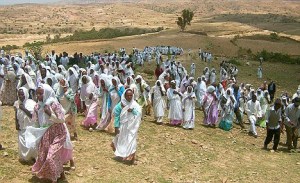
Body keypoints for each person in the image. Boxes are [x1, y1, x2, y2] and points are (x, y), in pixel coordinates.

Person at [28, 84, 73, 183]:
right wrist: (36, 134)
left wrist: (50, 114)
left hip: (58, 133)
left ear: (47, 93)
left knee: (51, 156)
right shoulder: (37, 106)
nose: (39, 96)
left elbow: (61, 119)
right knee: (45, 156)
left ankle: (53, 179)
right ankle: (61, 175)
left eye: (41, 93)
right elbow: (35, 121)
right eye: (37, 93)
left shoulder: (53, 104)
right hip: (45, 134)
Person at [111, 89, 142, 165]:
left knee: (132, 140)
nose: (129, 97)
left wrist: (132, 111)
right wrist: (116, 127)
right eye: (127, 95)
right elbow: (117, 117)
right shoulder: (120, 105)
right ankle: (122, 155)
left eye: (131, 95)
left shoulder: (134, 104)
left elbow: (139, 113)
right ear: (124, 96)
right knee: (122, 141)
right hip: (123, 126)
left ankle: (132, 158)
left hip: (132, 127)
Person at [14, 87, 37, 162]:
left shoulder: (31, 103)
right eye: (19, 95)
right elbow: (16, 113)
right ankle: (25, 158)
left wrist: (23, 108)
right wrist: (16, 123)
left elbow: (32, 116)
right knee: (22, 142)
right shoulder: (17, 103)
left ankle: (32, 156)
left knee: (30, 143)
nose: (21, 96)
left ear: (26, 94)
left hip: (29, 126)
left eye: (22, 94)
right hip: (21, 126)